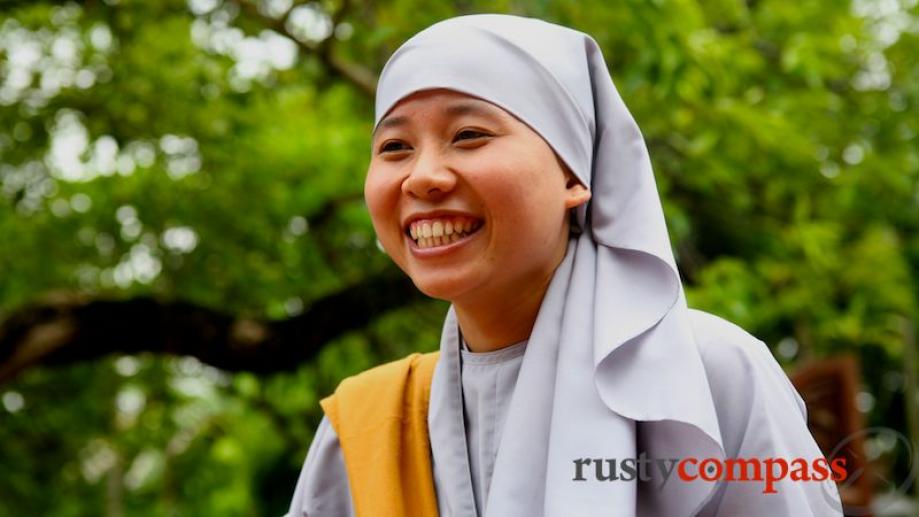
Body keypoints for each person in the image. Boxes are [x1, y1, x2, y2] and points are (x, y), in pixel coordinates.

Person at [286, 13, 845, 517]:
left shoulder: (710, 375)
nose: (422, 176)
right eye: (394, 147)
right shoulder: (365, 427)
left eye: (469, 135)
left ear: (575, 174)